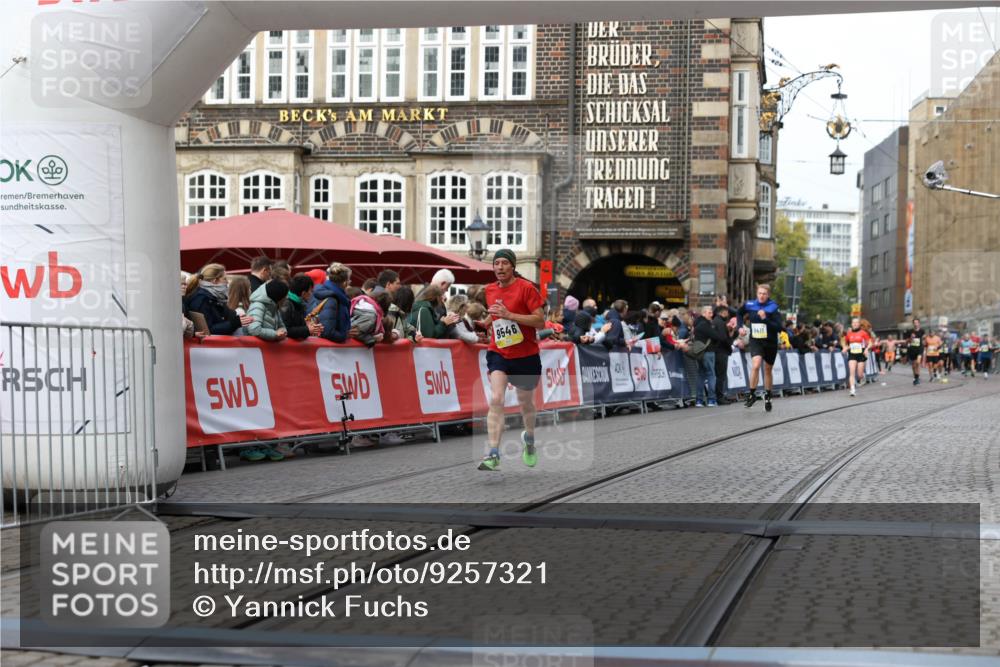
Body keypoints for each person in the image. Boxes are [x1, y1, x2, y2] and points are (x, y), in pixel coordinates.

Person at [479, 249, 546, 472]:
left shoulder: (526, 288)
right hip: (499, 351)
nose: (499, 267)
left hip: (525, 355)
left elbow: (540, 321)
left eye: (504, 263)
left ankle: (529, 439)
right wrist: (484, 324)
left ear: (513, 266)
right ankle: (493, 453)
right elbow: (495, 315)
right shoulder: (489, 290)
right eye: (496, 263)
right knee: (496, 398)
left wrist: (510, 316)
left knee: (525, 403)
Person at [737, 284, 782, 412]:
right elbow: (739, 313)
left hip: (770, 342)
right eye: (760, 293)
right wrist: (740, 327)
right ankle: (752, 394)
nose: (762, 296)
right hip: (756, 340)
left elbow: (779, 327)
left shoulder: (773, 307)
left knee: (767, 369)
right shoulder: (750, 305)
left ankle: (768, 395)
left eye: (764, 294)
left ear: (768, 295)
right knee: (756, 365)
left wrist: (765, 319)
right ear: (757, 294)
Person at [184, 264, 252, 335]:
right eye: (224, 279)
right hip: (210, 342)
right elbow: (208, 330)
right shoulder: (202, 299)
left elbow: (221, 318)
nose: (227, 282)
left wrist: (235, 318)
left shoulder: (213, 296)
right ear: (215, 281)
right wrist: (234, 323)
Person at [310, 262, 353, 344]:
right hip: (328, 348)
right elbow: (327, 331)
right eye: (349, 279)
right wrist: (343, 336)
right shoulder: (332, 298)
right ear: (345, 282)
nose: (350, 282)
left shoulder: (333, 295)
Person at [692, 305, 723, 407]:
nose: (711, 314)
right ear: (703, 313)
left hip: (699, 352)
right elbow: (717, 336)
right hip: (708, 352)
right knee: (711, 375)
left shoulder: (697, 324)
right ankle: (711, 400)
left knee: (701, 375)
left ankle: (699, 400)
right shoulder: (705, 324)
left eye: (711, 312)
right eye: (709, 313)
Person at [282, 274, 324, 340]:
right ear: (303, 293)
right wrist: (307, 330)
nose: (311, 293)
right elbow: (284, 330)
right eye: (310, 291)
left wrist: (311, 327)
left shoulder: (299, 304)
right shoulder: (286, 304)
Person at [842, 317, 872, 397]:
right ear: (851, 324)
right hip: (852, 354)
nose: (855, 324)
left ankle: (863, 376)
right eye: (853, 322)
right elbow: (847, 344)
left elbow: (870, 343)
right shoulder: (848, 334)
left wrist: (867, 349)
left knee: (859, 375)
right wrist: (845, 348)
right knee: (851, 372)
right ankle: (852, 390)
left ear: (859, 324)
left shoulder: (863, 333)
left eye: (856, 322)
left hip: (861, 354)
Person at [713, 303, 736, 404]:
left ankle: (720, 395)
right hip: (721, 351)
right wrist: (729, 344)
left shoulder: (716, 321)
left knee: (719, 375)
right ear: (723, 312)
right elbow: (723, 338)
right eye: (727, 312)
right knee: (721, 375)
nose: (728, 314)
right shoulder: (720, 322)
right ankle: (719, 397)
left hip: (718, 351)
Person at [906, 318, 926, 385]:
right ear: (913, 324)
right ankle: (915, 377)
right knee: (914, 365)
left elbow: (924, 339)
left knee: (918, 362)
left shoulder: (922, 331)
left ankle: (917, 378)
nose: (916, 324)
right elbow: (907, 341)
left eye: (917, 322)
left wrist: (924, 340)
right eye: (914, 323)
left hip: (919, 349)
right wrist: (911, 338)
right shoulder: (910, 331)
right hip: (912, 349)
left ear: (919, 323)